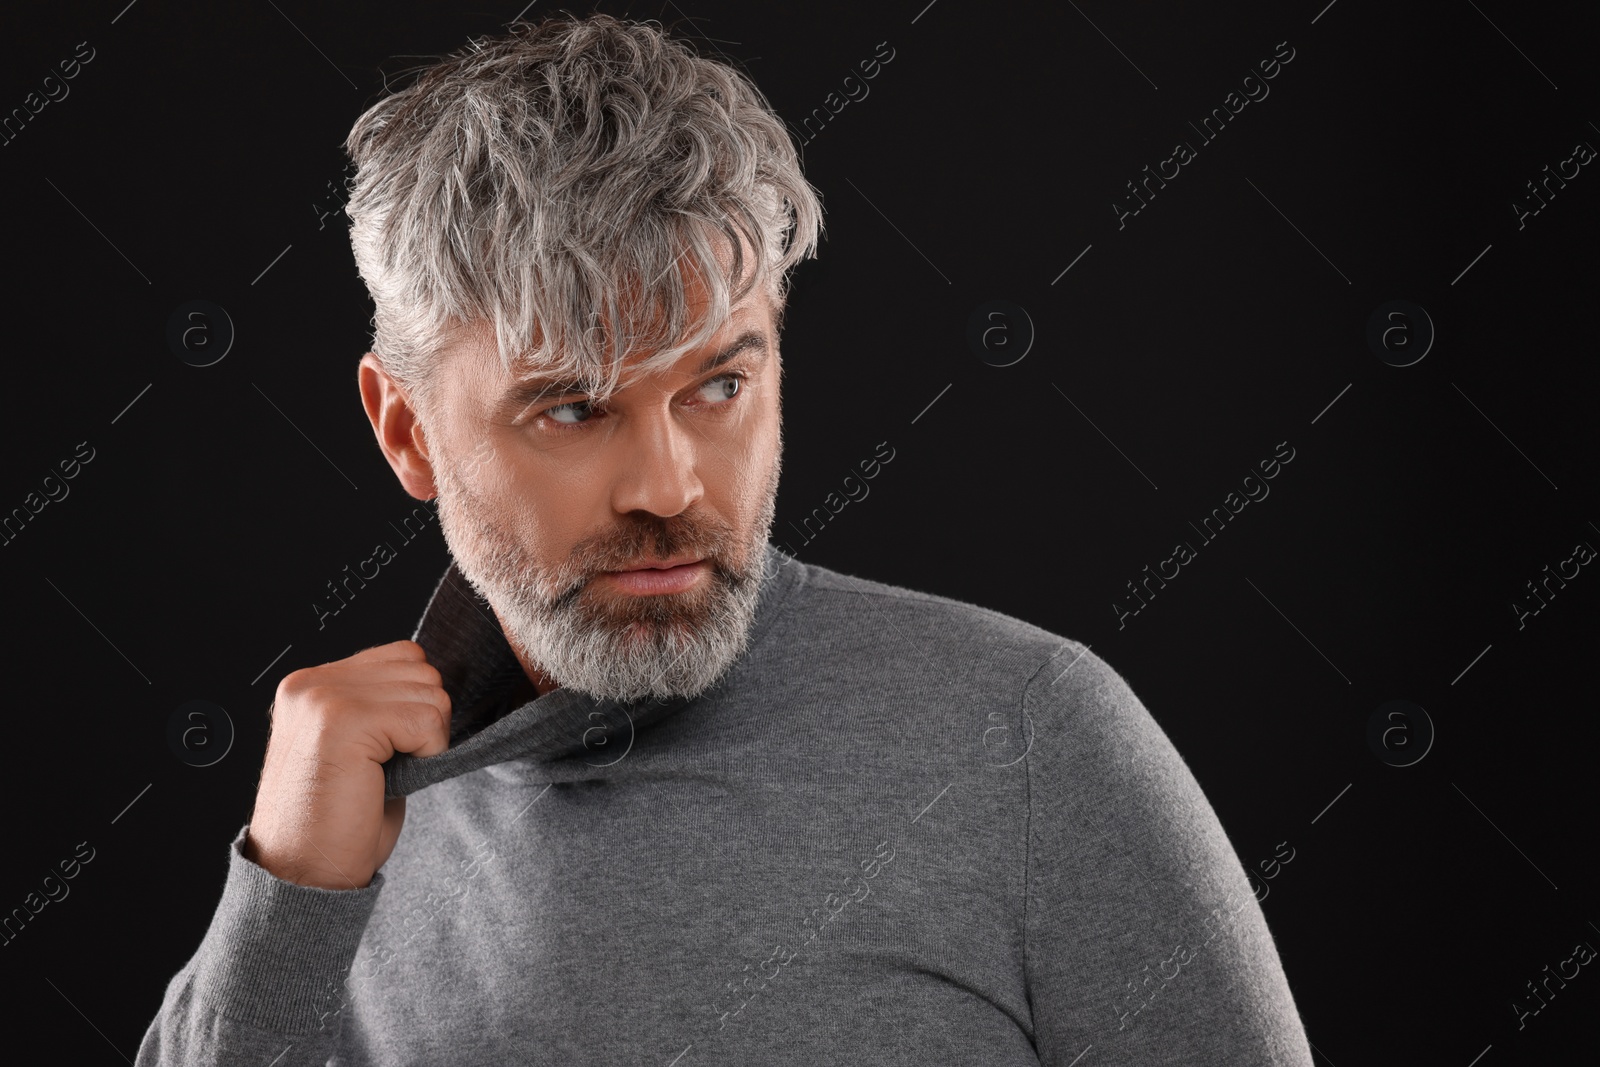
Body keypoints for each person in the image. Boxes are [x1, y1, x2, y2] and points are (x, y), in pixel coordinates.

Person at [137, 13, 1316, 1065]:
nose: (668, 483)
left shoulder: (1027, 740)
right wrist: (288, 895)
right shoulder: (335, 829)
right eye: (573, 406)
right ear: (406, 430)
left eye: (718, 386)